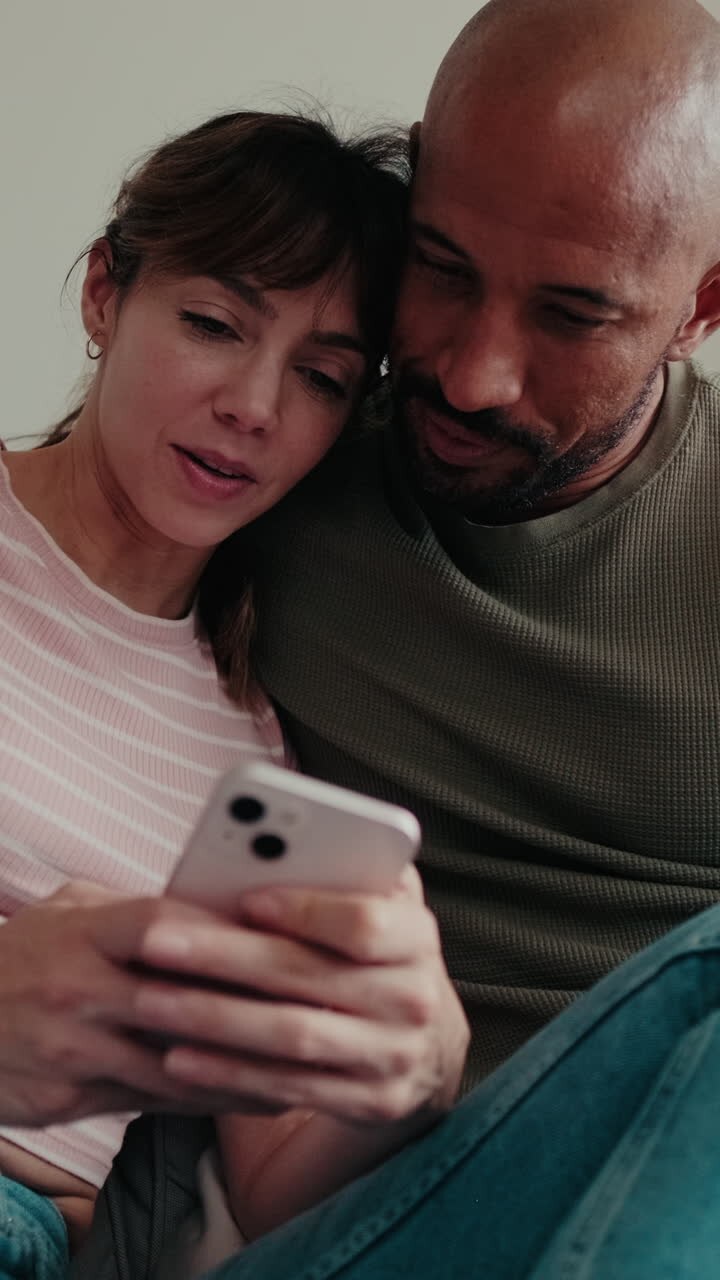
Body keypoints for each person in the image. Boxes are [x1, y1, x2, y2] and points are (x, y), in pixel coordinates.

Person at [68, 0, 720, 1276]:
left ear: (701, 306)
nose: (474, 375)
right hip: (341, 1223)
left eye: (572, 314)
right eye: (443, 267)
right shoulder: (271, 465)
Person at [0, 108, 471, 1279]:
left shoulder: (257, 754)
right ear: (105, 292)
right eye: (214, 324)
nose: (256, 406)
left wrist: (411, 1080)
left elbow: (271, 1184)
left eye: (321, 377)